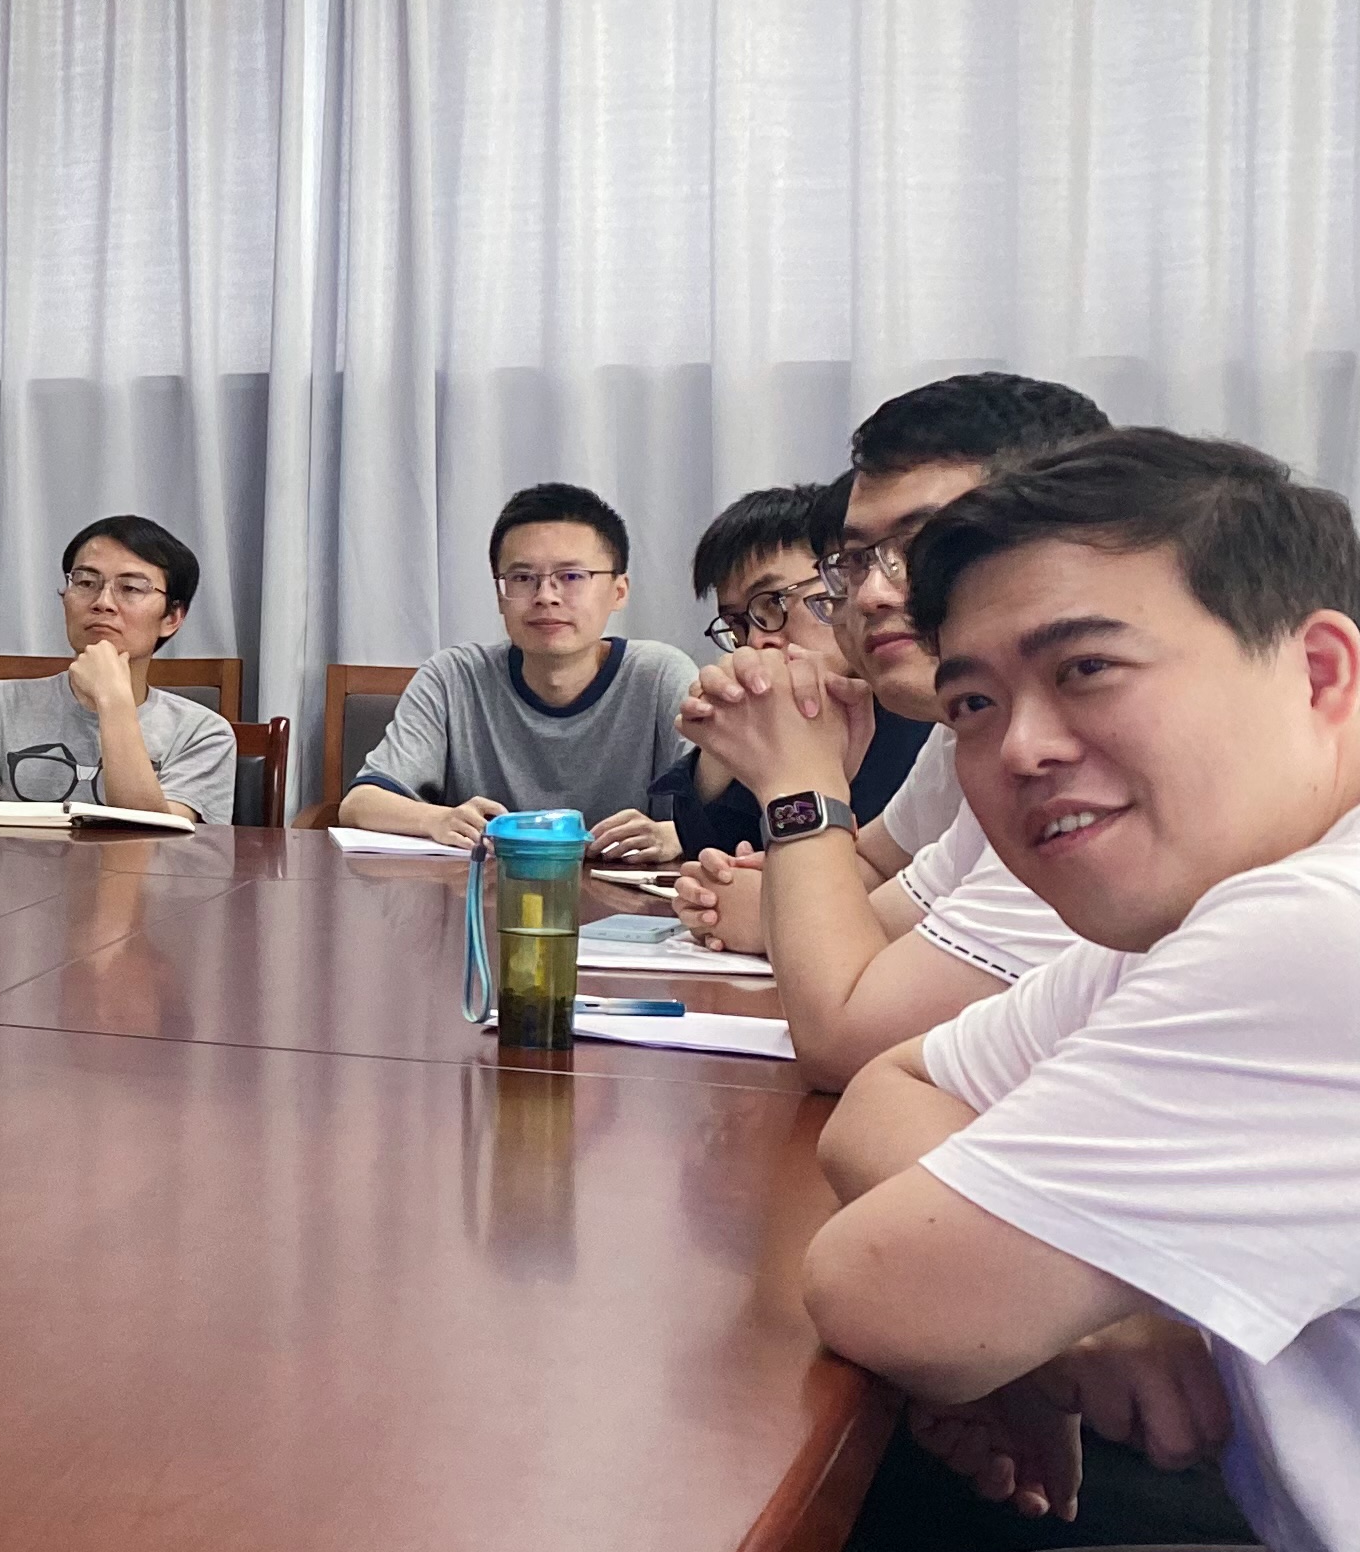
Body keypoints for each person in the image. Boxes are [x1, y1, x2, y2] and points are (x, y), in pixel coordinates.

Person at [793, 431, 1360, 1552]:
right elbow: (882, 1098)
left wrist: (1041, 1297)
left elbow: (882, 1286)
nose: (1018, 745)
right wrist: (1103, 1300)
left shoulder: (1312, 933)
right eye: (971, 701)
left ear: (1319, 669)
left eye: (1086, 669)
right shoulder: (1202, 906)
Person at [673, 375, 1106, 1089]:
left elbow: (842, 1042)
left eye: (923, 544)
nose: (873, 593)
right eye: (855, 562)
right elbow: (875, 899)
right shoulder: (973, 727)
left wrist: (800, 782)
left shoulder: (1085, 761)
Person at [337, 483, 695, 857]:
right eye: (522, 578)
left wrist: (676, 834)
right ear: (500, 595)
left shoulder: (660, 676)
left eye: (571, 576)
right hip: (486, 888)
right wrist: (438, 819)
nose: (546, 596)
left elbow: (727, 808)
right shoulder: (454, 677)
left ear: (619, 591)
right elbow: (361, 803)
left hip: (630, 891)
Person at [646, 481, 922, 859]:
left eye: (774, 603)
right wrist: (719, 752)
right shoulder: (783, 714)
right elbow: (719, 853)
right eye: (738, 624)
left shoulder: (924, 704)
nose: (757, 641)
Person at [0, 515, 241, 821]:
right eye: (85, 582)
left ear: (172, 618)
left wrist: (113, 701)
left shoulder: (202, 734)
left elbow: (153, 840)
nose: (103, 602)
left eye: (131, 588)